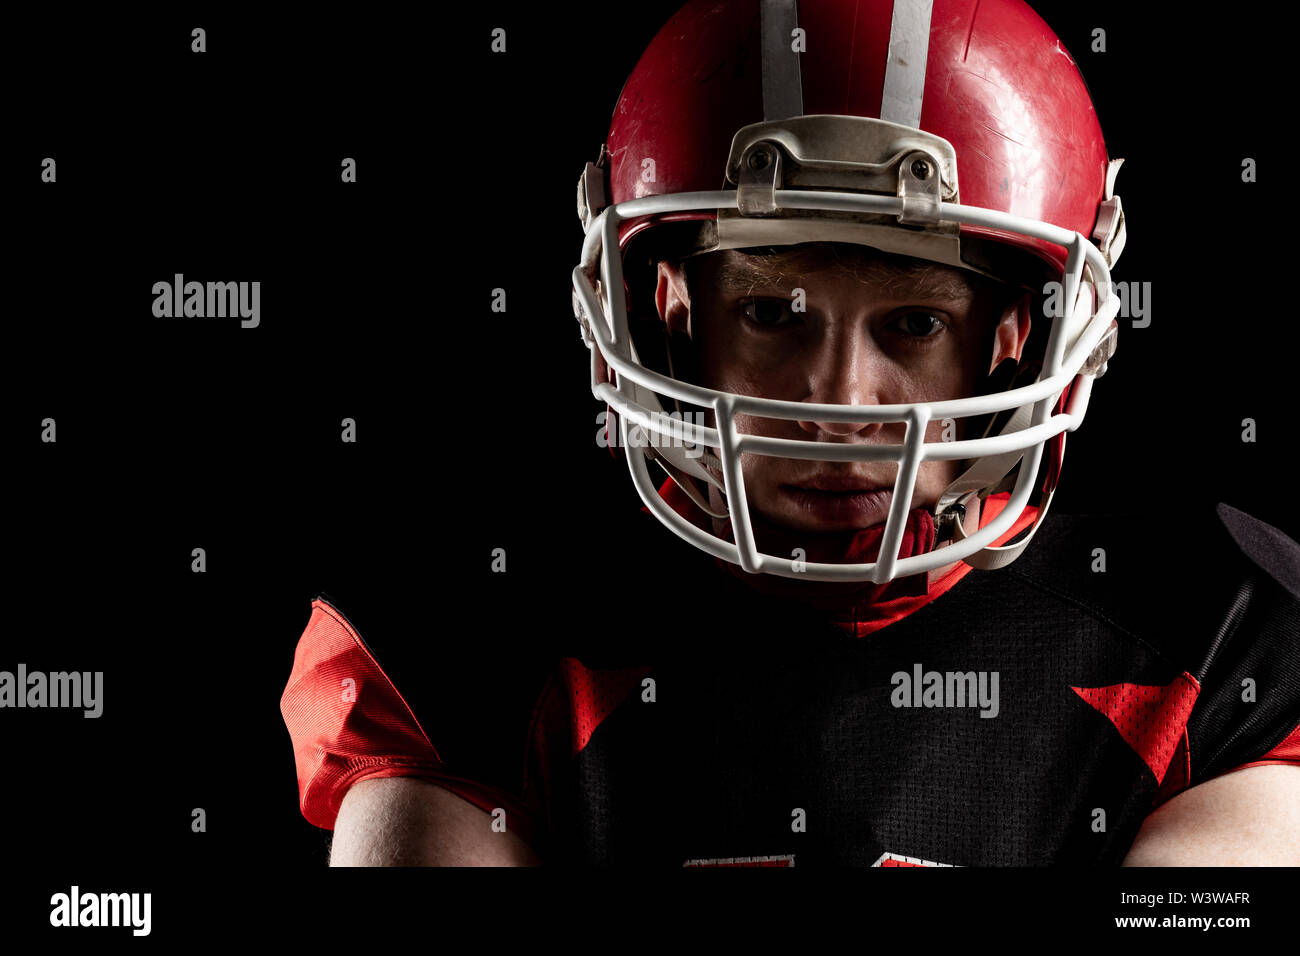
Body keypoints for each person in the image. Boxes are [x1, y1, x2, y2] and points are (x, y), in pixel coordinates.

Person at [281, 0, 1299, 866]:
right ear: (670, 310)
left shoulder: (1215, 638)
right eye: (774, 314)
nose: (840, 398)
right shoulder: (473, 628)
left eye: (913, 321)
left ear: (1014, 334)